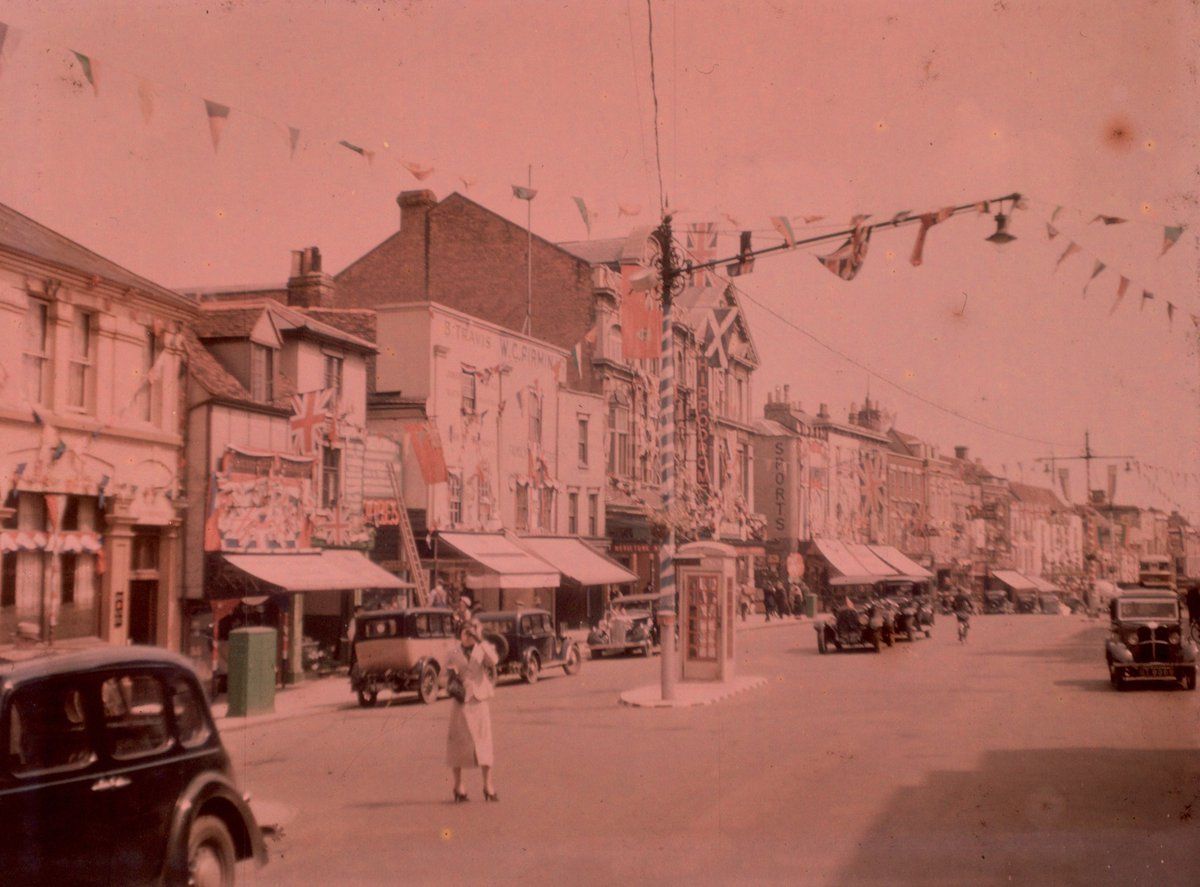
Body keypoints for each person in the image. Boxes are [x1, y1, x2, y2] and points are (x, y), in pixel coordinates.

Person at [445, 620, 500, 802]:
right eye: (465, 632)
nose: (468, 636)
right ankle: (458, 786)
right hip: (461, 701)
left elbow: (494, 660)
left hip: (479, 699)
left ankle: (488, 786)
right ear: (459, 634)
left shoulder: (482, 649)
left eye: (471, 632)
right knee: (458, 743)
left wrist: (480, 640)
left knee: (484, 742)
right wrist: (453, 680)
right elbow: (447, 673)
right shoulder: (453, 651)